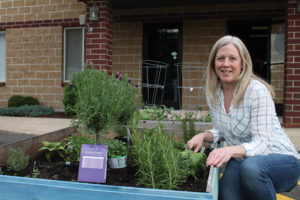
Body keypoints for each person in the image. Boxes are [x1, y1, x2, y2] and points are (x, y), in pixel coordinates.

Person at [187, 35, 300, 200]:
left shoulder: (257, 91)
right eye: (220, 59)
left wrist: (229, 150)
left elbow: (262, 144)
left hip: (282, 162)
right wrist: (204, 135)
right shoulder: (213, 92)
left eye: (232, 58)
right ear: (213, 63)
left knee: (252, 169)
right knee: (226, 195)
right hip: (242, 160)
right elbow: (222, 129)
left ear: (242, 64)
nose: (226, 64)